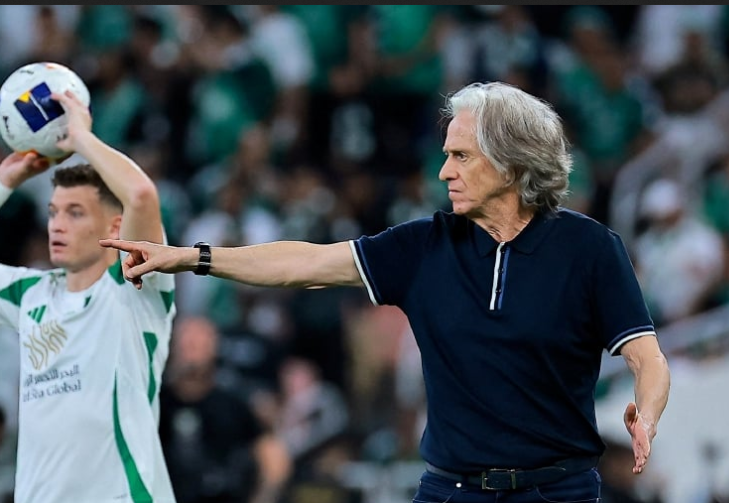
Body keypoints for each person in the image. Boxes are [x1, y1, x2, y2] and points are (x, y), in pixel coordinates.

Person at [101, 81, 671, 502]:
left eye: (460, 156)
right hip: (450, 491)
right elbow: (303, 262)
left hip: (558, 491)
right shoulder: (424, 246)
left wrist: (645, 417)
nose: (444, 171)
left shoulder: (590, 249)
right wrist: (191, 257)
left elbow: (647, 358)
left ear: (510, 161)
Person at [0, 90, 177, 503]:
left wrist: (80, 137)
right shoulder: (28, 294)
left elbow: (141, 195)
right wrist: (5, 181)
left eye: (75, 213)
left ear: (115, 228)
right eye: (53, 213)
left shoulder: (134, 284)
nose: (57, 226)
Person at [159, 315, 292, 503]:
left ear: (214, 348)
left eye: (199, 344)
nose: (192, 352)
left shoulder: (235, 403)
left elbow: (274, 460)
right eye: (187, 344)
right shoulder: (156, 401)